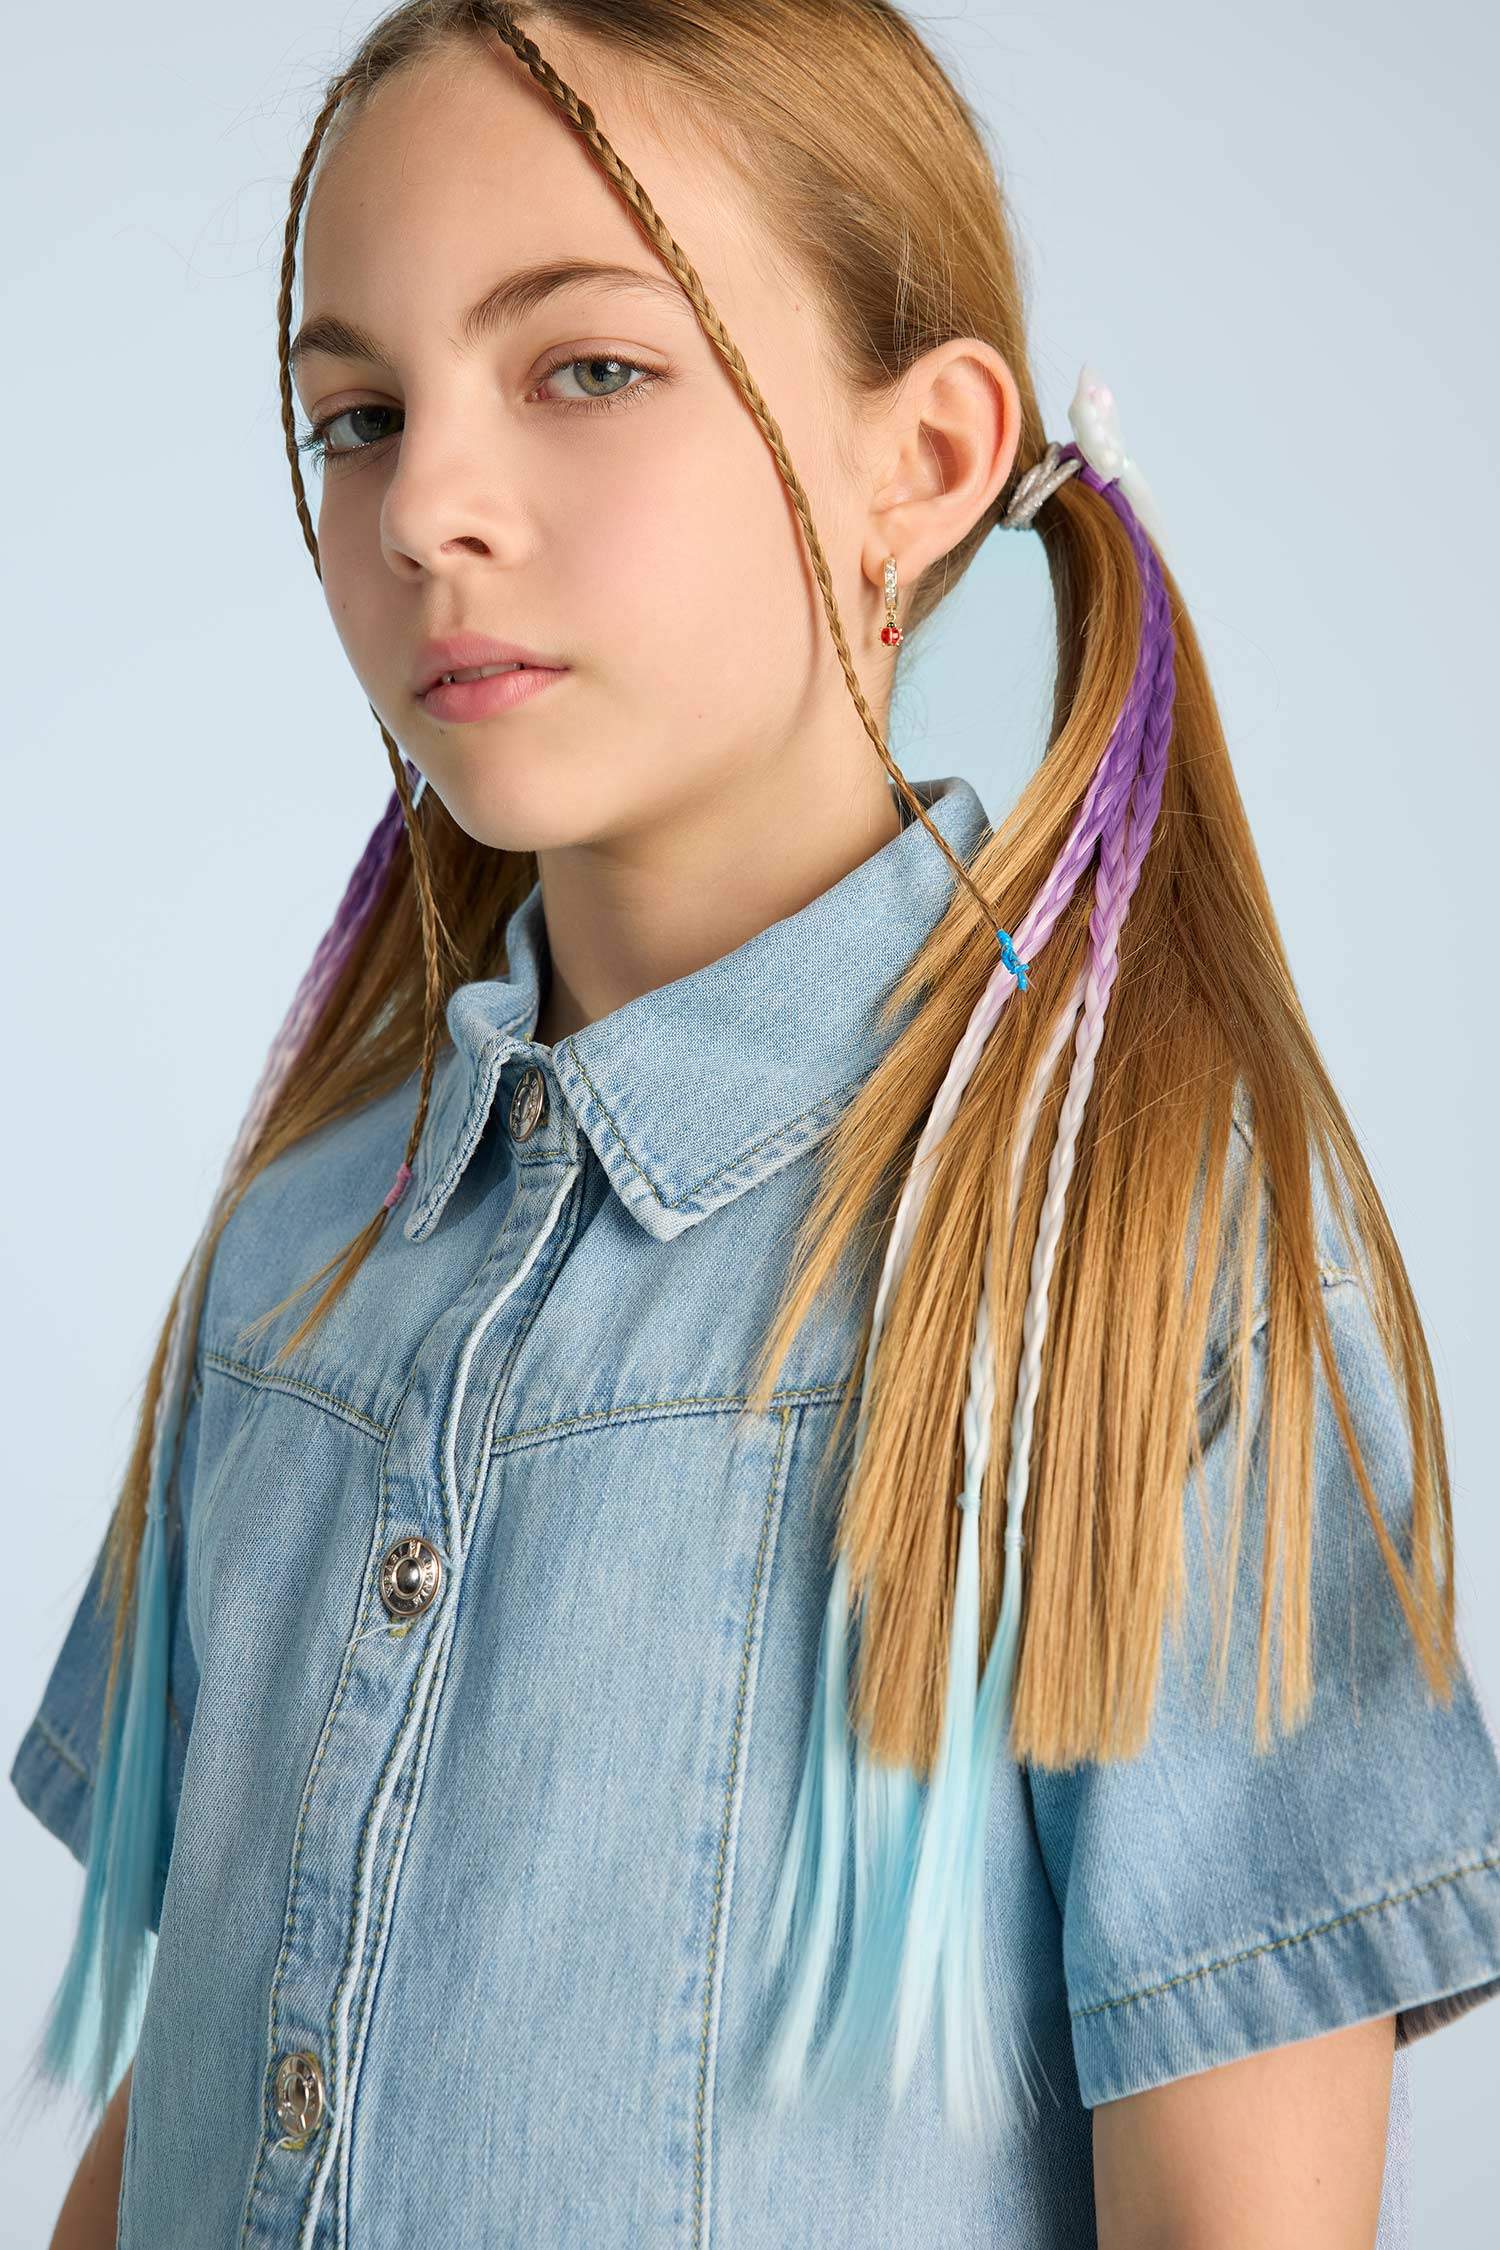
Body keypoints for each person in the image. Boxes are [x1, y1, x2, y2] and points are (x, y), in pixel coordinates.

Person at [12, 4, 1500, 2245]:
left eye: (589, 368)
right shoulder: (299, 1259)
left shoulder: (1128, 1279)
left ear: (926, 460)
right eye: (357, 414)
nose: (423, 506)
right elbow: (201, 2079)